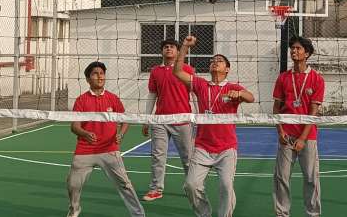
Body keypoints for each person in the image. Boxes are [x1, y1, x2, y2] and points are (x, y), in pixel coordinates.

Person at [173, 35, 255, 217]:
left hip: (226, 148)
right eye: (212, 61)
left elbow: (251, 97)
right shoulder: (202, 85)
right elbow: (177, 72)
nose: (214, 62)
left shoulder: (232, 86)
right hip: (203, 147)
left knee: (226, 186)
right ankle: (204, 214)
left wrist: (240, 93)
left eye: (219, 61)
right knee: (191, 185)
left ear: (227, 69)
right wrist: (185, 47)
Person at [66, 61, 145, 217]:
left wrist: (120, 134)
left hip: (109, 149)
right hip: (85, 149)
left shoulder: (113, 98)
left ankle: (138, 214)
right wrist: (85, 133)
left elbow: (125, 120)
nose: (99, 76)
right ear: (88, 79)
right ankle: (74, 209)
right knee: (73, 184)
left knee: (125, 184)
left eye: (102, 73)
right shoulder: (81, 100)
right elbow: (74, 126)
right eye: (95, 74)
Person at [272, 36, 325, 217]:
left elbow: (313, 112)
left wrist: (302, 138)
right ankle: (282, 213)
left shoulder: (317, 79)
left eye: (298, 49)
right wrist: (280, 131)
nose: (294, 51)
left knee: (311, 178)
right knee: (281, 178)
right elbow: (276, 108)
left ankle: (313, 213)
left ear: (307, 53)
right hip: (286, 135)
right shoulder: (283, 78)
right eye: (292, 48)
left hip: (307, 137)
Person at [142, 38, 195, 201]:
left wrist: (199, 118)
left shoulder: (187, 69)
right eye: (165, 47)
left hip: (182, 119)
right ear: (162, 51)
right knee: (158, 156)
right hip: (160, 120)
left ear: (178, 51)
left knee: (188, 157)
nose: (169, 49)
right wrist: (147, 119)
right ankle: (156, 189)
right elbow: (152, 95)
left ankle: (192, 186)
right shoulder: (155, 71)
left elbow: (194, 93)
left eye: (172, 47)